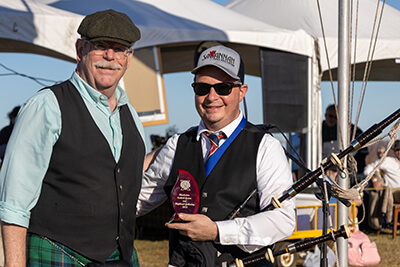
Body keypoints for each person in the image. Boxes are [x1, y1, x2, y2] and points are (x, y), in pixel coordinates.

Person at [0, 9, 146, 266]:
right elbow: (13, 203)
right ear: (80, 49)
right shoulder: (46, 106)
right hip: (57, 252)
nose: (110, 56)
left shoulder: (131, 115)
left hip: (120, 257)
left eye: (120, 48)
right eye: (100, 46)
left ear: (129, 57)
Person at [138, 45, 296, 266]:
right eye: (202, 87)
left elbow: (282, 220)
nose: (211, 97)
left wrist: (216, 231)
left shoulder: (266, 147)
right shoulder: (177, 145)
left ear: (241, 92)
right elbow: (138, 200)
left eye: (223, 88)